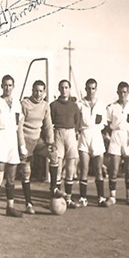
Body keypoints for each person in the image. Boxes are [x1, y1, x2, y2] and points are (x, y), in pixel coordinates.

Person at [18, 80, 60, 214]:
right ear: (32, 90)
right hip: (26, 139)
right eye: (36, 90)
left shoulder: (45, 106)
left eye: (41, 91)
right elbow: (19, 127)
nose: (38, 93)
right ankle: (28, 203)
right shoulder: (24, 104)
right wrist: (22, 145)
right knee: (26, 171)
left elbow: (48, 126)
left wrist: (51, 142)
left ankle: (53, 188)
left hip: (38, 140)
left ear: (44, 92)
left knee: (54, 155)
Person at [0, 74, 25, 219]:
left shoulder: (17, 103)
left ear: (13, 86)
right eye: (5, 85)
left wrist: (22, 146)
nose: (7, 88)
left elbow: (20, 126)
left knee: (11, 179)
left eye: (10, 85)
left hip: (12, 139)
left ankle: (10, 207)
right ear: (1, 86)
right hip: (1, 137)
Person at [105, 81, 129, 206]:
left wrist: (127, 134)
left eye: (125, 92)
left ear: (128, 93)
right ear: (117, 92)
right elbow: (107, 124)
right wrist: (115, 132)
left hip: (128, 137)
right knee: (113, 169)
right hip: (116, 136)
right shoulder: (111, 107)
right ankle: (112, 197)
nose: (122, 94)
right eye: (120, 92)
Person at [50, 79, 82, 209]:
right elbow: (49, 122)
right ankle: (56, 198)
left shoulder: (74, 105)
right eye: (62, 87)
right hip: (58, 133)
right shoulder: (54, 105)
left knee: (70, 166)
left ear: (69, 89)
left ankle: (68, 198)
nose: (64, 90)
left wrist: (75, 133)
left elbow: (77, 121)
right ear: (59, 89)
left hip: (70, 134)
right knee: (57, 166)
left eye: (66, 87)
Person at [76, 79, 109, 207]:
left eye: (93, 88)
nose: (91, 91)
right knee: (84, 168)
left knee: (98, 169)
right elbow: (77, 122)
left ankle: (101, 197)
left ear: (96, 89)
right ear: (85, 89)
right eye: (88, 88)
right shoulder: (80, 104)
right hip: (84, 136)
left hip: (96, 137)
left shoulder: (101, 105)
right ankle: (83, 198)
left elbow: (104, 124)